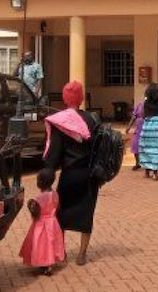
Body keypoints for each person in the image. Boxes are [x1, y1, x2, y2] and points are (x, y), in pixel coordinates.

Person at [43, 81, 99, 266]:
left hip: (69, 174)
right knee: (87, 213)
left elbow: (54, 152)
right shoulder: (92, 120)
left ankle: (63, 253)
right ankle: (82, 255)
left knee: (62, 214)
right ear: (81, 98)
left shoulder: (60, 121)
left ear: (65, 98)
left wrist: (49, 171)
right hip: (89, 175)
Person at [19, 168, 65, 276]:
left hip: (41, 224)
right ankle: (49, 265)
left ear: (40, 183)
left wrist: (30, 204)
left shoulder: (40, 197)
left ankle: (43, 263)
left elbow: (36, 212)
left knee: (40, 244)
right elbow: (57, 207)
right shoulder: (55, 194)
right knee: (51, 244)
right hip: (53, 223)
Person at [138, 84, 158, 180]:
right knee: (157, 149)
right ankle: (155, 173)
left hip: (148, 127)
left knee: (147, 148)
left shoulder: (146, 102)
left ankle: (147, 172)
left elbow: (144, 115)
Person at [125, 99, 145, 170]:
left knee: (146, 146)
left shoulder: (151, 106)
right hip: (138, 128)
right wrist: (129, 127)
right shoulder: (139, 105)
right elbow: (134, 117)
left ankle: (148, 164)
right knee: (135, 144)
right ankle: (137, 163)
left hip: (147, 127)